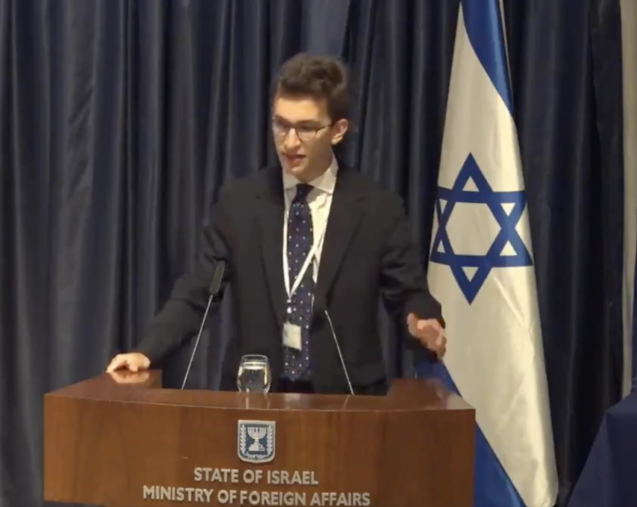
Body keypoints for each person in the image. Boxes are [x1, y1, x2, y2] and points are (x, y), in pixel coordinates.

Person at [107, 53, 446, 395]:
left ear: (338, 131)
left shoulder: (377, 209)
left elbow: (408, 295)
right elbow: (198, 291)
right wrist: (146, 351)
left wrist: (423, 322)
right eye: (281, 124)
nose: (290, 142)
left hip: (345, 401)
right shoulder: (239, 203)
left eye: (307, 128)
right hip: (255, 396)